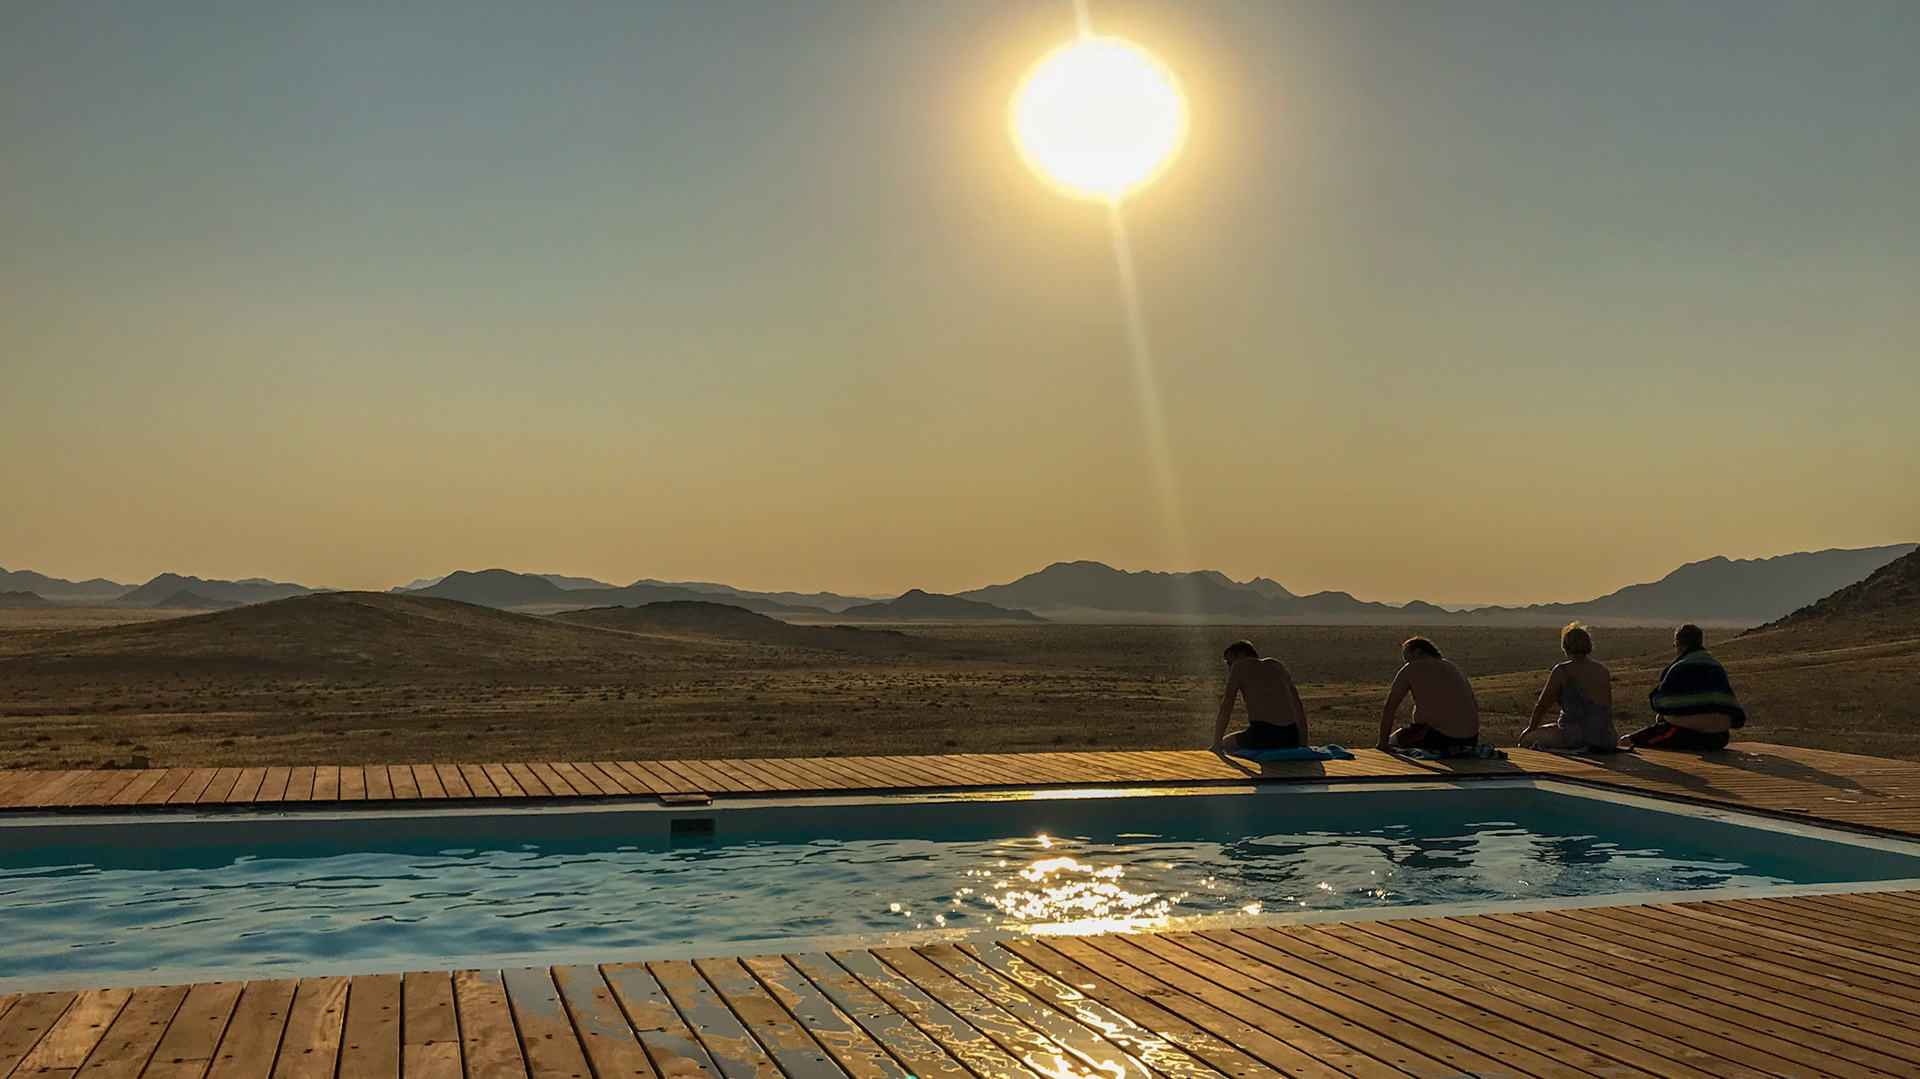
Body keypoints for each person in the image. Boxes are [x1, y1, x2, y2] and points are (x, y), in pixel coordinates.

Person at [1623, 623, 1746, 751]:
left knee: (1628, 741)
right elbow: (1732, 707)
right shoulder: (1716, 666)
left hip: (1687, 735)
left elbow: (1660, 703)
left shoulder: (1680, 667)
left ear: (1679, 644)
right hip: (1720, 737)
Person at [1518, 622, 1619, 752]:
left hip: (1574, 737)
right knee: (1550, 727)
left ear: (1565, 647)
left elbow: (1542, 705)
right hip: (1606, 737)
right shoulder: (1602, 670)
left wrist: (1531, 728)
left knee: (1528, 740)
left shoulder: (1563, 671)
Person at [1379, 637, 1480, 752]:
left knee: (1393, 740)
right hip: (1470, 740)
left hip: (1437, 738)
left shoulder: (1411, 668)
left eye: (1407, 657)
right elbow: (1474, 705)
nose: (1406, 662)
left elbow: (1390, 708)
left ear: (1417, 652)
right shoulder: (1452, 667)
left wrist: (1383, 743)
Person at [1211, 640, 1309, 752]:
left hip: (1262, 735)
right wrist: (1303, 742)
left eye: (1230, 662)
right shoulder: (1278, 666)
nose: (1230, 668)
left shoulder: (1239, 666)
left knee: (1225, 743)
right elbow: (1298, 705)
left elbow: (1226, 706)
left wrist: (1216, 743)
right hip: (1290, 735)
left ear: (1241, 655)